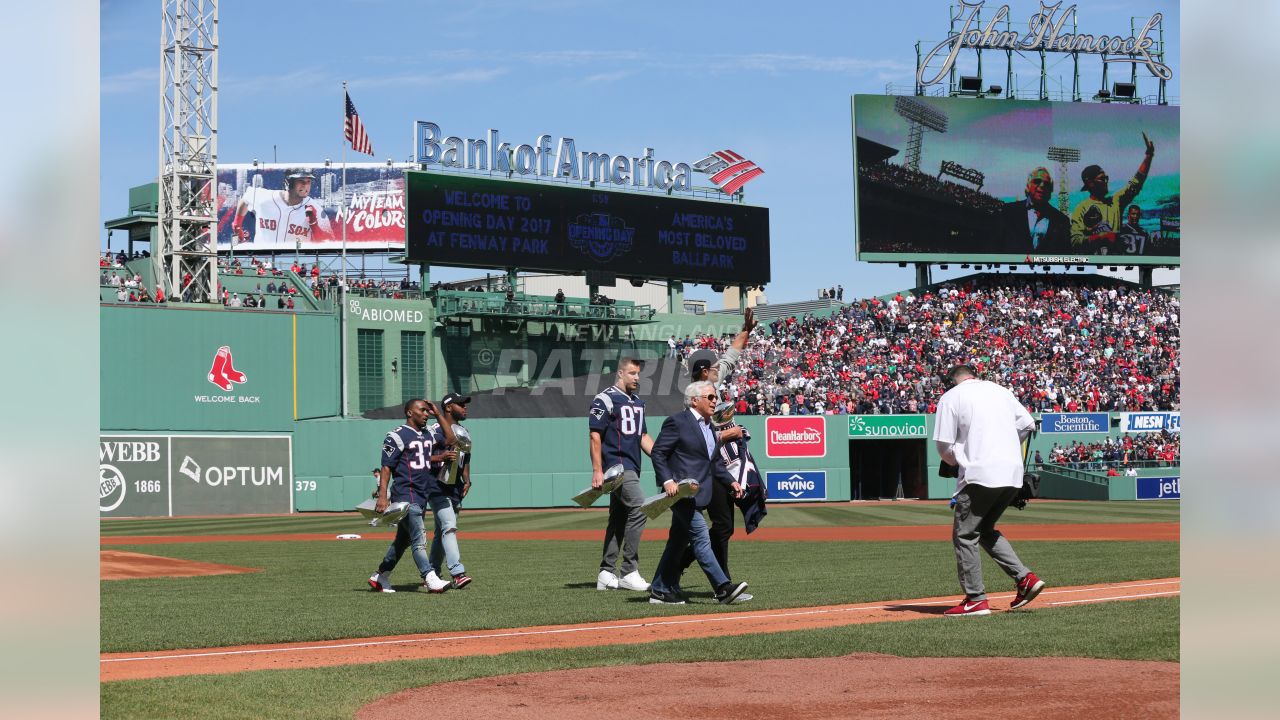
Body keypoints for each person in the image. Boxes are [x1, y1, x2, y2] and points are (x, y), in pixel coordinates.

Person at [933, 364, 1044, 616]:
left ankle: (975, 599)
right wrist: (1003, 448)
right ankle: (1025, 579)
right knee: (983, 529)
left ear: (953, 381)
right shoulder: (1000, 390)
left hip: (980, 473)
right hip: (1012, 473)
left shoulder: (951, 396)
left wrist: (955, 461)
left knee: (964, 534)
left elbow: (944, 446)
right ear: (975, 375)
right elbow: (1028, 424)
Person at [647, 381, 750, 606]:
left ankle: (660, 589)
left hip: (699, 493)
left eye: (716, 397)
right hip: (680, 492)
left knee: (677, 541)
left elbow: (714, 463)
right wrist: (667, 480)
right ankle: (723, 588)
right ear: (695, 400)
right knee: (702, 536)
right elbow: (658, 453)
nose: (715, 401)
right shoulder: (677, 422)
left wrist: (732, 482)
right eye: (710, 397)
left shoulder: (710, 427)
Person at [681, 309, 757, 597]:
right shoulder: (695, 397)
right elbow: (698, 439)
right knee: (722, 527)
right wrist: (729, 434)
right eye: (712, 367)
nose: (719, 367)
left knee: (723, 528)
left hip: (722, 466)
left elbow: (732, 354)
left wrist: (746, 329)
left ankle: (686, 566)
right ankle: (722, 585)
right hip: (707, 468)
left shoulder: (712, 384)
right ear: (703, 372)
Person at [367, 398, 456, 593]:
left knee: (403, 541)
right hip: (405, 493)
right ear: (409, 413)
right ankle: (430, 577)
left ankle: (380, 576)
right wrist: (383, 496)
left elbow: (450, 440)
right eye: (422, 410)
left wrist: (438, 413)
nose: (426, 414)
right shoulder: (396, 435)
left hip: (421, 493)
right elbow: (386, 467)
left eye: (427, 411)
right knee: (419, 537)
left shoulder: (427, 434)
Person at [588, 357, 655, 592]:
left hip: (632, 466)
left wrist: (661, 458)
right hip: (616, 467)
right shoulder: (605, 398)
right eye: (632, 373)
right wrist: (597, 470)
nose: (637, 378)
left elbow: (643, 437)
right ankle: (629, 571)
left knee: (618, 519)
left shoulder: (637, 402)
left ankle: (606, 572)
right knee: (640, 506)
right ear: (620, 373)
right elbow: (595, 436)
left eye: (638, 374)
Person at [1071, 133, 1155, 252]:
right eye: (1102, 178)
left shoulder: (1115, 202)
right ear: (1090, 183)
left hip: (1115, 263)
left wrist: (1149, 156)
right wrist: (1100, 237)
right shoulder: (1081, 209)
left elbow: (1136, 183)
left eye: (1107, 178)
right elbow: (1075, 242)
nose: (1106, 181)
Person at [425, 392, 473, 590]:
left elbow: (466, 456)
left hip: (454, 485)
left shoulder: (464, 430)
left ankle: (433, 573)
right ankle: (457, 572)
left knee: (441, 531)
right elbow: (423, 456)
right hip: (436, 484)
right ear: (448, 407)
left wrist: (467, 480)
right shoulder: (435, 429)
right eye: (460, 404)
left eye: (465, 404)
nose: (465, 407)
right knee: (449, 526)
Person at [230, 168, 333, 249]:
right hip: (261, 258)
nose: (305, 185)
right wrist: (237, 224)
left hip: (295, 261)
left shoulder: (317, 210)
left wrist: (314, 224)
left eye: (308, 181)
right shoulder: (264, 197)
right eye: (301, 181)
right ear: (288, 182)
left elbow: (327, 243)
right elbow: (246, 198)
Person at [994, 167, 1072, 255]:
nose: (1042, 185)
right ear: (1028, 186)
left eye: (1046, 184)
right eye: (1037, 181)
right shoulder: (1008, 211)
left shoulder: (1061, 220)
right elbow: (995, 244)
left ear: (1050, 190)